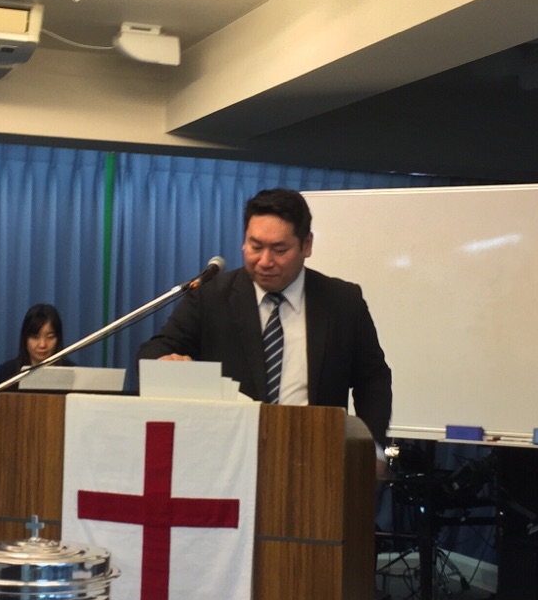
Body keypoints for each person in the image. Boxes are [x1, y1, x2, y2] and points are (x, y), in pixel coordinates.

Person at [136, 187, 392, 446]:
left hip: (316, 449)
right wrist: (166, 360)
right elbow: (154, 350)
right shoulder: (210, 297)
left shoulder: (342, 302)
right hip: (228, 450)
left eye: (279, 250)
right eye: (255, 246)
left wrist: (372, 447)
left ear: (306, 245)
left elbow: (373, 380)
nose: (265, 261)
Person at [0, 303, 64, 441]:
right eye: (35, 337)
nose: (42, 344)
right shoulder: (6, 373)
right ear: (25, 338)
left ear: (58, 339)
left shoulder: (71, 372)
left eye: (50, 337)